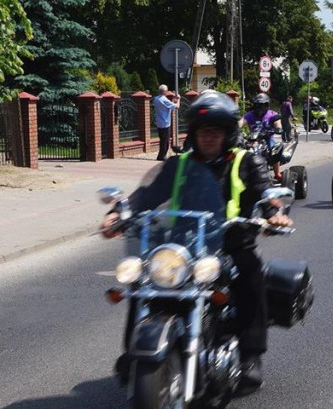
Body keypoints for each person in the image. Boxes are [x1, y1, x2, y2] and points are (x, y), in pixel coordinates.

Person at [100, 90, 292, 388]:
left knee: (251, 274)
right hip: (183, 246)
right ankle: (134, 353)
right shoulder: (178, 165)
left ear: (227, 133)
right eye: (203, 131)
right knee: (143, 283)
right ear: (194, 133)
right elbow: (146, 195)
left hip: (231, 243)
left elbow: (266, 194)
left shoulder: (247, 161)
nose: (208, 137)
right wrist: (118, 214)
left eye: (215, 131)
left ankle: (251, 354)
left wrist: (274, 213)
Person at [242, 92, 284, 181]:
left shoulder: (272, 114)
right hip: (253, 139)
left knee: (274, 150)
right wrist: (234, 129)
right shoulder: (249, 115)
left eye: (262, 105)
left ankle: (277, 173)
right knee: (241, 151)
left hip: (267, 138)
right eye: (257, 105)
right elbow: (240, 122)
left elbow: (278, 124)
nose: (259, 107)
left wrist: (277, 129)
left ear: (267, 105)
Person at [153, 85, 179, 161]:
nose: (167, 92)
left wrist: (173, 100)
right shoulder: (164, 99)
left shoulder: (156, 99)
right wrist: (179, 99)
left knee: (162, 140)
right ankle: (162, 156)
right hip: (165, 123)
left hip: (159, 122)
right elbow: (177, 106)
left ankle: (160, 155)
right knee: (165, 141)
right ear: (164, 91)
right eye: (166, 90)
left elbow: (169, 105)